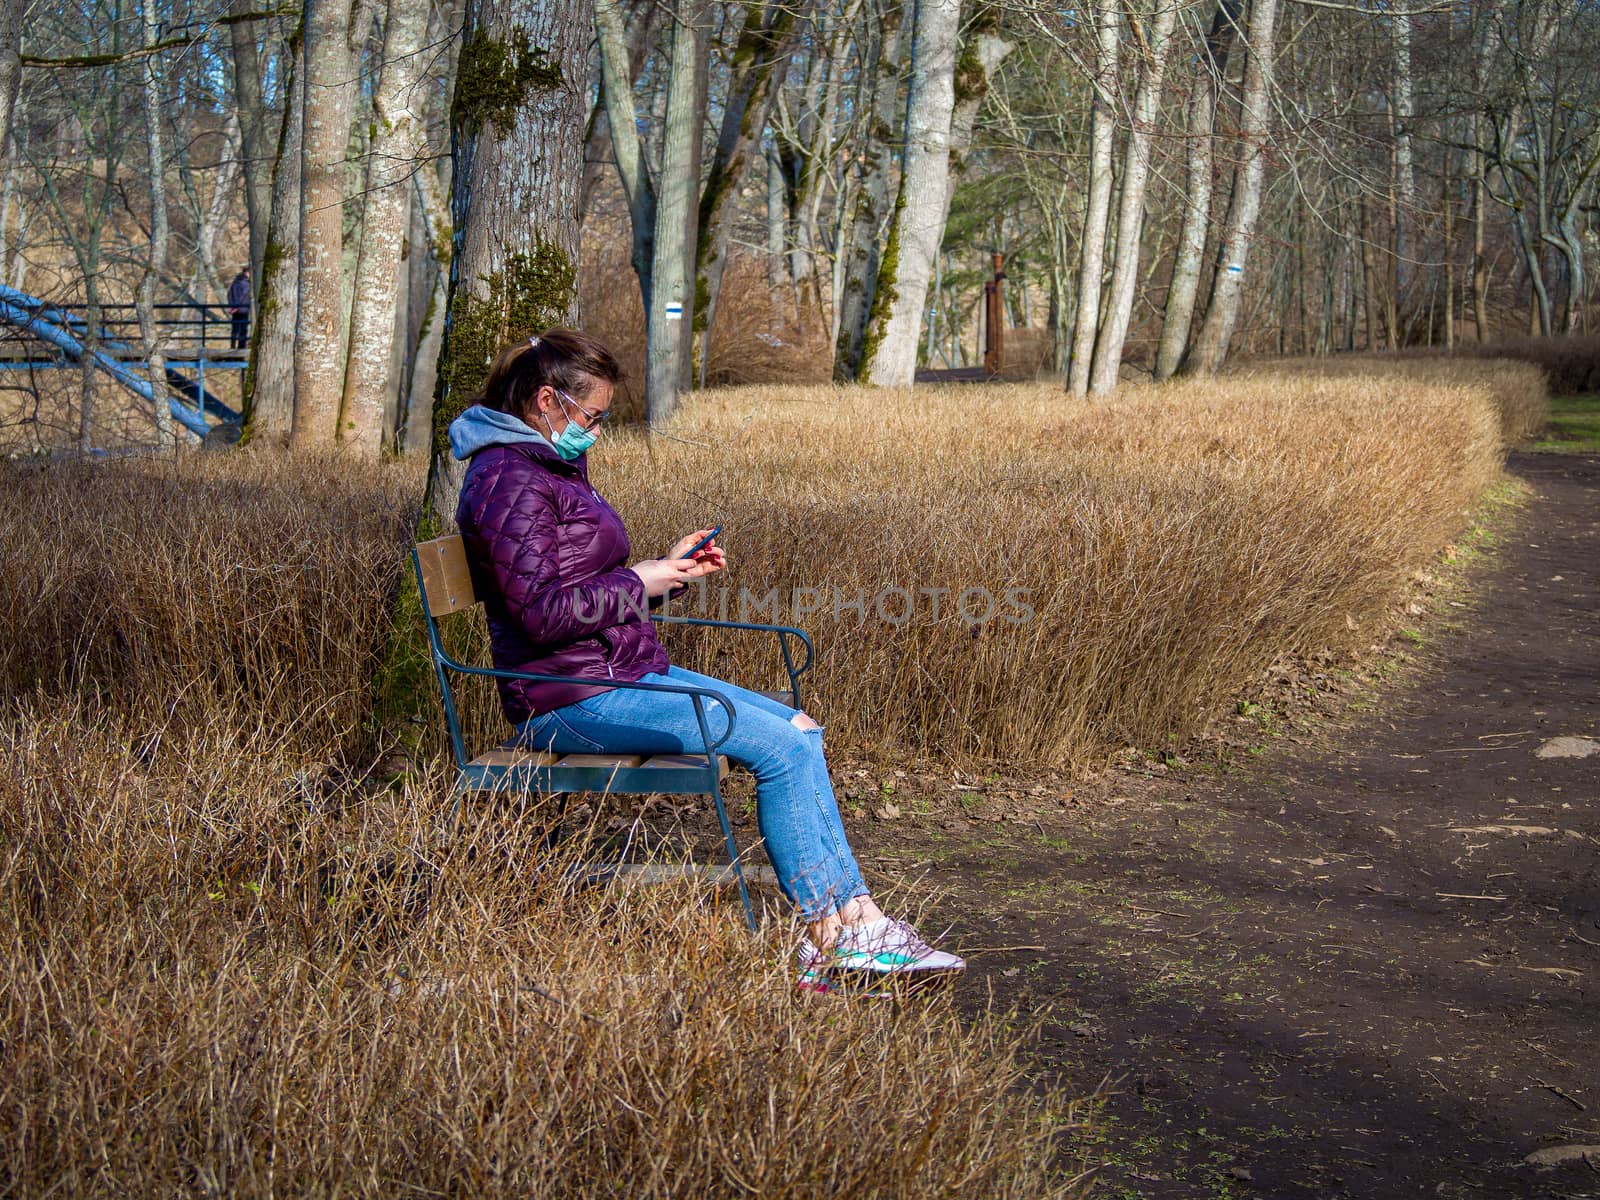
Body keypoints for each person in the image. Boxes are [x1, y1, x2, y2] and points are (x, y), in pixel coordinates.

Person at [448, 329, 965, 991]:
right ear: (546, 401)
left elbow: (584, 581)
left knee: (799, 730)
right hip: (563, 700)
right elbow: (540, 612)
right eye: (594, 417)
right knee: (779, 748)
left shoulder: (544, 465)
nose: (598, 433)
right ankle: (828, 936)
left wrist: (669, 571)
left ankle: (858, 918)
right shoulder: (509, 478)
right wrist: (640, 581)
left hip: (615, 673)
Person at [226, 267, 252, 350]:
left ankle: (232, 346)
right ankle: (241, 347)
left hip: (234, 309)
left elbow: (229, 294)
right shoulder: (246, 284)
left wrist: (232, 306)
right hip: (243, 309)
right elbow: (243, 297)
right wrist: (237, 306)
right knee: (243, 330)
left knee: (234, 329)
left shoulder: (235, 282)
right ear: (247, 273)